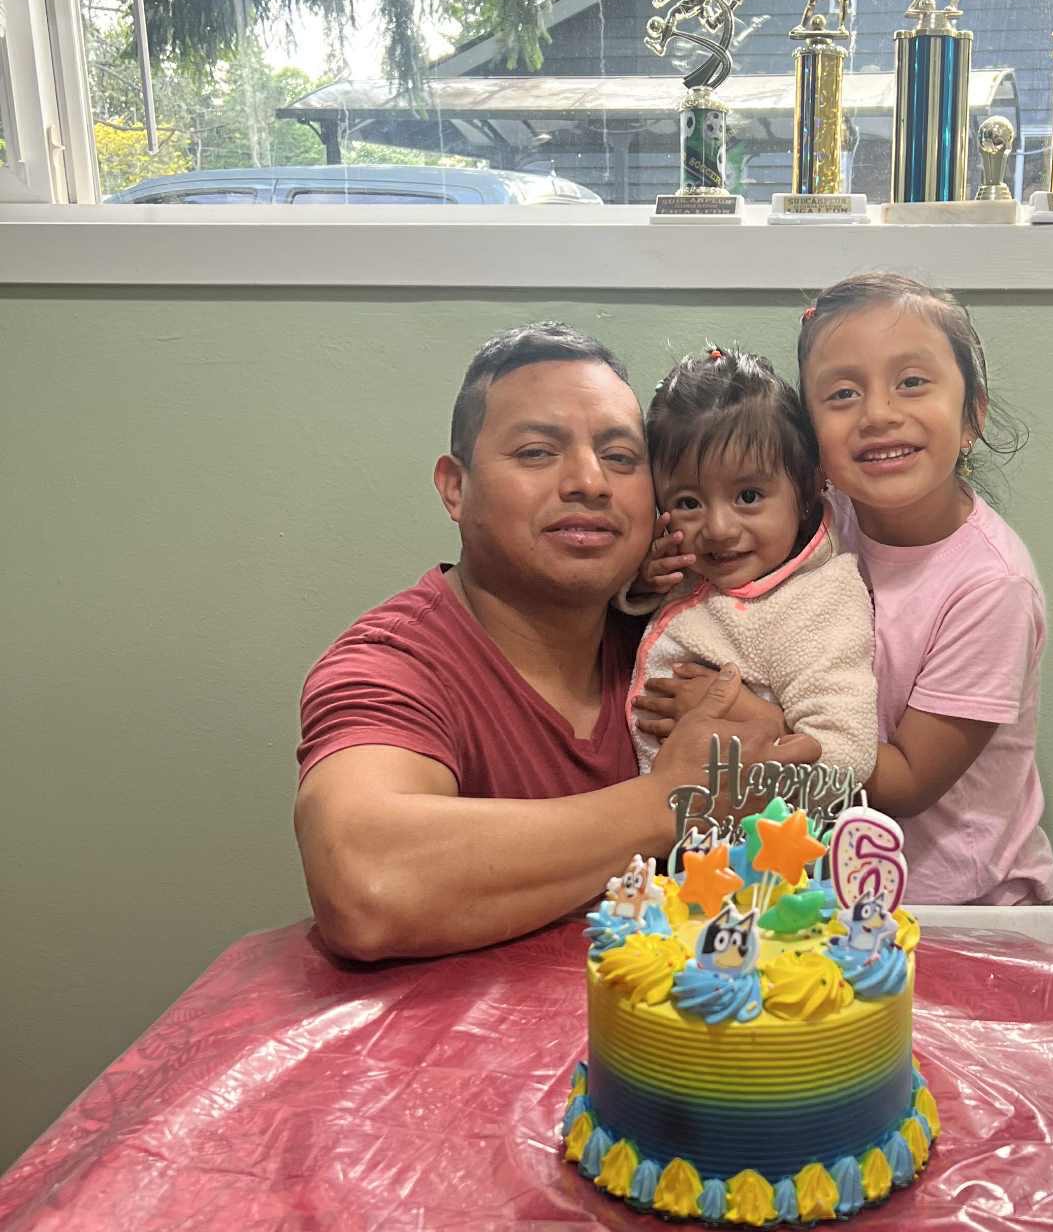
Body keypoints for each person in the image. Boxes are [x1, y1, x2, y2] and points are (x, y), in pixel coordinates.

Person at [294, 325, 817, 962]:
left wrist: (767, 729)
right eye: (538, 452)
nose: (590, 482)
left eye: (620, 458)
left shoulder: (685, 639)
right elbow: (365, 881)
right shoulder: (396, 664)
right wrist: (668, 801)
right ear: (455, 487)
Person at [797, 273, 1053, 905]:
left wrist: (761, 729)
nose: (879, 414)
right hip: (834, 897)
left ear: (972, 416)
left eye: (911, 382)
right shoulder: (814, 524)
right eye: (842, 393)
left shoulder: (992, 585)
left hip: (965, 910)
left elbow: (908, 783)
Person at [624, 347, 877, 784]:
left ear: (806, 489)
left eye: (748, 496)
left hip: (751, 825)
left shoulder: (820, 603)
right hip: (655, 812)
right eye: (688, 502)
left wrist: (743, 715)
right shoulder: (684, 565)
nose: (718, 529)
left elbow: (846, 757)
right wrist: (643, 583)